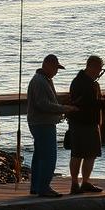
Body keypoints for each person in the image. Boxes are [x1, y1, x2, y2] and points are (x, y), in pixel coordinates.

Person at [27, 54, 76, 197]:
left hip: (39, 123)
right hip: (42, 123)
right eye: (55, 68)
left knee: (39, 156)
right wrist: (65, 108)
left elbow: (50, 99)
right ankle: (44, 188)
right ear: (46, 65)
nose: (56, 71)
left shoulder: (44, 80)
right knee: (49, 156)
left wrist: (63, 100)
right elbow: (43, 104)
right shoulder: (39, 81)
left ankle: (36, 186)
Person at [67, 55, 105, 194]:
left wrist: (104, 100)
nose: (100, 72)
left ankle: (85, 182)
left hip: (89, 122)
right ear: (91, 67)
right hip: (82, 122)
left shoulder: (87, 82)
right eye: (99, 69)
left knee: (91, 154)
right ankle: (74, 183)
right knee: (77, 154)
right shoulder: (83, 83)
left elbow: (93, 101)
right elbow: (89, 103)